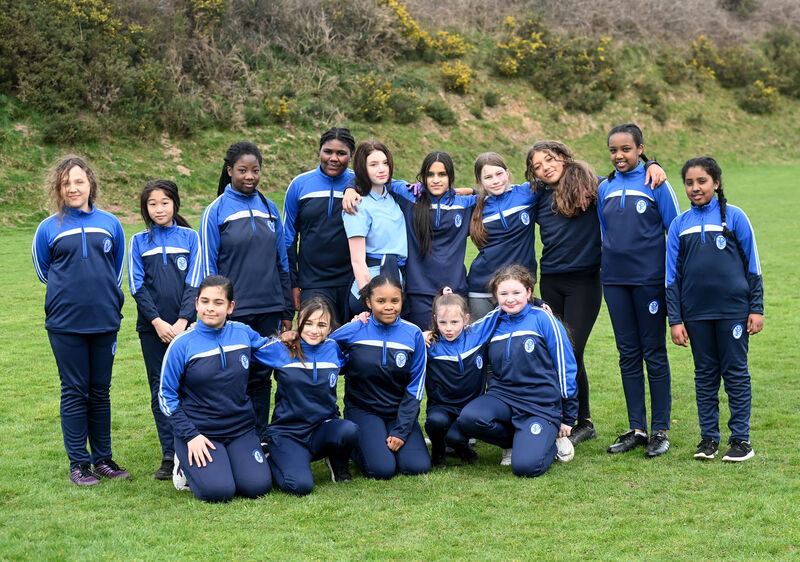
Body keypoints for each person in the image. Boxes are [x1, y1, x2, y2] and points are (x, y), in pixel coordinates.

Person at [32, 155, 130, 486]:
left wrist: (102, 299)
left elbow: (116, 271)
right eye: (66, 183)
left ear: (90, 184)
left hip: (104, 320)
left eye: (79, 181)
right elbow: (45, 272)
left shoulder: (111, 223)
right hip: (65, 323)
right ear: (58, 189)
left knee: (100, 391)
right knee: (75, 390)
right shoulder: (48, 228)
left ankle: (103, 459)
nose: (73, 188)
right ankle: (79, 464)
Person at [666, 157, 763, 462]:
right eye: (690, 183)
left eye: (702, 181)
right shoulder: (679, 225)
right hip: (695, 315)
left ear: (716, 183)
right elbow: (672, 277)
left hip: (733, 312)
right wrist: (675, 319)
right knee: (705, 376)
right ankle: (708, 439)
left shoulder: (735, 217)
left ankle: (741, 440)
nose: (695, 188)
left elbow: (753, 266)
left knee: (735, 374)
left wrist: (756, 308)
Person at [200, 141, 294, 448]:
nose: (249, 176)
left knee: (260, 375)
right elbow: (208, 268)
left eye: (255, 170)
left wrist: (285, 310)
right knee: (233, 376)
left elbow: (282, 261)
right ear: (229, 172)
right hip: (235, 312)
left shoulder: (269, 208)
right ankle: (233, 435)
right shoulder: (215, 211)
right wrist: (217, 308)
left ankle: (260, 435)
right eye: (242, 170)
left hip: (268, 306)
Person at [598, 123, 681, 458]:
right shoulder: (604, 187)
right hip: (615, 282)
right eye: (614, 150)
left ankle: (660, 430)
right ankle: (637, 428)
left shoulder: (656, 182)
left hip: (649, 281)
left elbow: (676, 233)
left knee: (653, 352)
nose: (619, 155)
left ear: (640, 149)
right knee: (627, 354)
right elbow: (606, 234)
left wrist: (672, 281)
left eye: (626, 149)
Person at [455, 264, 577, 477]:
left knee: (525, 468)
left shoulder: (542, 319)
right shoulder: (494, 320)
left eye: (516, 293)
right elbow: (462, 336)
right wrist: (430, 336)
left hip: (540, 404)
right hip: (503, 396)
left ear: (529, 292)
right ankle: (517, 441)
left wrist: (568, 415)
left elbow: (565, 364)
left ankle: (552, 444)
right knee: (469, 418)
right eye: (503, 294)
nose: (510, 299)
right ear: (496, 295)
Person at [159, 275, 273, 502]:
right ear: (197, 304)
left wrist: (304, 339)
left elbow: (273, 350)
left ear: (230, 306)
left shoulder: (243, 333)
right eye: (205, 301)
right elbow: (166, 396)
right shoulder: (182, 344)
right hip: (201, 432)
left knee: (257, 487)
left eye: (218, 302)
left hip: (240, 428)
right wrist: (191, 435)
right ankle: (183, 467)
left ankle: (231, 460)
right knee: (219, 492)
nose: (210, 308)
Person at [343, 151, 477, 329]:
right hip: (418, 292)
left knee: (453, 348)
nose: (436, 180)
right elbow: (374, 177)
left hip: (456, 289)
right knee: (422, 345)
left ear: (451, 176)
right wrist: (350, 188)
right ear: (422, 177)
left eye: (442, 174)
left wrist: (472, 190)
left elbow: (493, 193)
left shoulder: (467, 204)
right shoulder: (409, 196)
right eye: (430, 175)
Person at [128, 179, 202, 480]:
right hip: (153, 329)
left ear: (175, 204)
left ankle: (191, 448)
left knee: (190, 385)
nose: (159, 208)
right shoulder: (137, 241)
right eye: (152, 203)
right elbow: (136, 284)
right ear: (145, 208)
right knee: (161, 388)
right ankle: (169, 454)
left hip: (187, 326)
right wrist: (156, 322)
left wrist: (183, 321)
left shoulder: (190, 237)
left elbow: (195, 281)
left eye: (164, 202)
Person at [329, 275, 430, 479]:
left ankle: (391, 436)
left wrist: (401, 430)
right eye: (380, 301)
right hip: (363, 410)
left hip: (397, 411)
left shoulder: (413, 334)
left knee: (417, 466)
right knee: (382, 470)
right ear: (368, 302)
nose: (388, 307)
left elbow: (416, 385)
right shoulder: (355, 329)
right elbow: (321, 346)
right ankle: (345, 448)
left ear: (402, 300)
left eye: (395, 301)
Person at [257, 297, 359, 495]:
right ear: (298, 324)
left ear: (330, 328)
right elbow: (250, 348)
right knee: (300, 486)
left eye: (322, 325)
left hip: (321, 429)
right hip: (288, 433)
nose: (314, 330)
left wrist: (360, 320)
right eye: (308, 323)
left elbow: (354, 352)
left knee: (349, 430)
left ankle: (338, 464)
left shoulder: (334, 349)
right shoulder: (281, 348)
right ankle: (273, 455)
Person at [283, 127, 357, 325]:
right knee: (313, 340)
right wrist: (293, 283)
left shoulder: (360, 184)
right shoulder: (300, 185)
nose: (334, 158)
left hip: (352, 282)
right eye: (328, 151)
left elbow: (391, 184)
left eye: (341, 153)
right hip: (312, 283)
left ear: (351, 156)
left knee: (350, 346)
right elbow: (288, 238)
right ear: (319, 151)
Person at [423, 288, 500, 468]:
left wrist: (539, 303)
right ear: (435, 320)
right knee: (435, 422)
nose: (448, 328)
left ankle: (464, 449)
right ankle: (438, 452)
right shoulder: (429, 344)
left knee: (455, 438)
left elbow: (504, 306)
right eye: (442, 322)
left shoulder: (477, 333)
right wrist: (420, 334)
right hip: (442, 406)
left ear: (466, 319)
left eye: (454, 322)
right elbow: (401, 334)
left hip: (470, 408)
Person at [467, 152, 539, 319]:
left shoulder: (528, 193)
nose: (496, 180)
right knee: (482, 342)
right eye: (488, 177)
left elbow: (555, 178)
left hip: (517, 288)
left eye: (499, 174)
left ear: (508, 173)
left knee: (516, 340)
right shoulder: (473, 205)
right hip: (481, 288)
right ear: (480, 182)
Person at [342, 140, 408, 315]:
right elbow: (357, 260)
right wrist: (369, 299)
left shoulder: (392, 197)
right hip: (372, 282)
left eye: (385, 163)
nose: (381, 169)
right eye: (373, 164)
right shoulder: (357, 205)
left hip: (396, 276)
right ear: (363, 168)